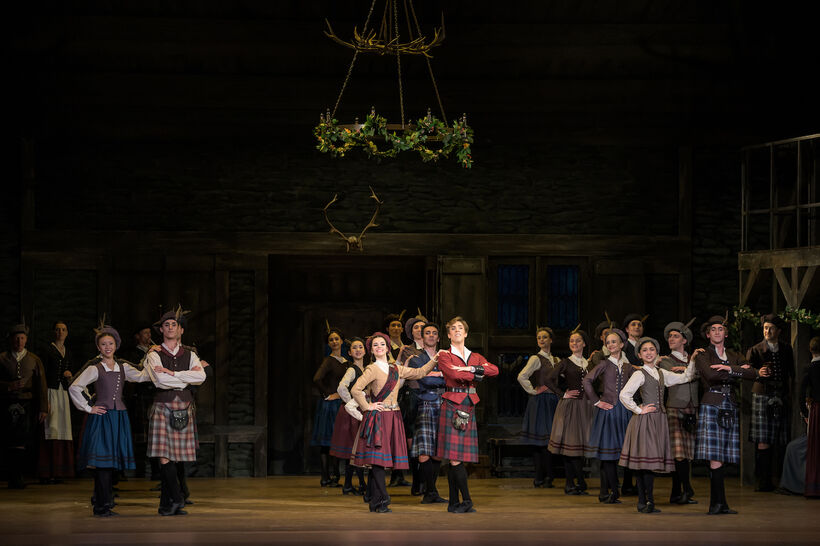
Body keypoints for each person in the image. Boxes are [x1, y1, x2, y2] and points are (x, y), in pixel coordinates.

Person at [350, 332, 438, 513]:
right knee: (378, 461)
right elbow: (356, 389)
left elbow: (420, 372)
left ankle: (376, 501)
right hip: (379, 417)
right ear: (371, 350)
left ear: (388, 347)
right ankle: (382, 499)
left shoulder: (395, 369)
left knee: (381, 461)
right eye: (375, 345)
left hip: (394, 416)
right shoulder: (372, 369)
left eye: (382, 344)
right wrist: (368, 406)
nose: (379, 347)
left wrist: (436, 358)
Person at [68, 324, 150, 516]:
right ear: (98, 347)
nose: (107, 347)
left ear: (116, 345)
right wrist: (89, 407)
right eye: (103, 344)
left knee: (111, 463)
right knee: (103, 462)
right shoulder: (95, 368)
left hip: (119, 417)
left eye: (110, 343)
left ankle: (102, 500)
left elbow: (142, 376)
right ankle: (102, 506)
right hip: (103, 418)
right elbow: (74, 387)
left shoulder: (123, 367)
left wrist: (153, 358)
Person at [619, 337, 696, 513]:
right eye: (644, 350)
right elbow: (624, 395)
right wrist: (639, 410)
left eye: (651, 349)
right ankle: (644, 501)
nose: (648, 352)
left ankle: (648, 501)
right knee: (644, 462)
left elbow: (686, 377)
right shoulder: (640, 373)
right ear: (639, 354)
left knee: (650, 463)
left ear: (657, 352)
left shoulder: (661, 373)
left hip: (659, 421)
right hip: (646, 421)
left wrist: (691, 361)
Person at [143, 308, 207, 516]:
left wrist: (173, 373)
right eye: (166, 325)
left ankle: (166, 505)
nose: (170, 328)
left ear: (180, 330)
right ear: (161, 329)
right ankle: (178, 498)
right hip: (163, 405)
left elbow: (201, 378)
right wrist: (185, 377)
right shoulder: (154, 353)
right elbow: (160, 380)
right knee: (164, 456)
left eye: (174, 325)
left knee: (177, 457)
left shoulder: (190, 353)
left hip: (184, 406)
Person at [694, 315, 758, 515]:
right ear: (708, 334)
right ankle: (715, 504)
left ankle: (722, 504)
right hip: (712, 403)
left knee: (722, 455)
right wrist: (738, 371)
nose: (717, 332)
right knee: (715, 456)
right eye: (713, 329)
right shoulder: (703, 354)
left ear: (726, 333)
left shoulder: (734, 354)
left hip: (729, 404)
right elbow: (711, 375)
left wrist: (729, 368)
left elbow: (753, 373)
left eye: (720, 329)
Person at [435, 317, 499, 513]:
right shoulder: (444, 355)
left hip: (469, 406)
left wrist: (470, 368)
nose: (456, 331)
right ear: (448, 334)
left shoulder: (475, 356)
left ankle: (454, 502)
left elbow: (494, 370)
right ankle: (467, 501)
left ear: (466, 333)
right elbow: (454, 375)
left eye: (460, 328)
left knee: (457, 457)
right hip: (453, 404)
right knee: (454, 457)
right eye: (452, 328)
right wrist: (477, 373)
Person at [583, 328, 635, 503]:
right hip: (608, 411)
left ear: (621, 344)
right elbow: (587, 380)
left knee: (617, 453)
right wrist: (597, 401)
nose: (611, 344)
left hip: (624, 412)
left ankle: (605, 492)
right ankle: (612, 491)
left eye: (614, 341)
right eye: (608, 342)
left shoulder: (628, 367)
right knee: (608, 454)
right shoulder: (604, 364)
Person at [746, 313, 794, 492]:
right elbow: (747, 371)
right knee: (762, 440)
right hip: (762, 395)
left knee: (779, 439)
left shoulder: (786, 349)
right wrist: (758, 372)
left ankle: (779, 480)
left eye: (771, 328)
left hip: (780, 395)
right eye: (765, 328)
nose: (768, 331)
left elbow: (791, 373)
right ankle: (763, 481)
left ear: (779, 331)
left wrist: (789, 395)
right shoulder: (756, 349)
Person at [545, 329, 596, 496]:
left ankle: (578, 482)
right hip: (571, 406)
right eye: (572, 341)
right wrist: (562, 393)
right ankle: (572, 483)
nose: (574, 343)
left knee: (579, 446)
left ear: (584, 344)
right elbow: (548, 379)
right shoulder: (566, 362)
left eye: (578, 341)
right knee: (570, 446)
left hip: (586, 406)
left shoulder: (590, 363)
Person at [658, 320, 701, 505]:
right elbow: (674, 379)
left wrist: (688, 367)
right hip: (675, 406)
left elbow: (701, 374)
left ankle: (677, 493)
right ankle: (687, 489)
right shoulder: (665, 360)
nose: (671, 339)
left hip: (692, 407)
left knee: (687, 453)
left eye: (675, 336)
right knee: (678, 452)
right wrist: (689, 370)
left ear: (684, 340)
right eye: (669, 336)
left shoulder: (695, 359)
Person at [0, 322, 47, 489]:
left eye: (22, 338)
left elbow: (41, 386)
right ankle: (11, 476)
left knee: (23, 439)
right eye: (16, 338)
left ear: (26, 340)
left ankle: (19, 476)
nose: (19, 342)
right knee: (8, 440)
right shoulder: (2, 358)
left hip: (27, 404)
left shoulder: (34, 359)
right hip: (6, 403)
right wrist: (8, 386)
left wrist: (43, 408)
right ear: (12, 340)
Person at [408, 322, 448, 504]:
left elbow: (452, 378)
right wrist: (440, 375)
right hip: (425, 403)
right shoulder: (417, 358)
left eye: (434, 333)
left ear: (438, 338)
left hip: (445, 404)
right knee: (424, 450)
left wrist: (436, 375)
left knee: (438, 451)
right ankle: (429, 492)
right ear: (422, 339)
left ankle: (432, 492)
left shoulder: (446, 357)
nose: (431, 336)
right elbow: (422, 379)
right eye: (427, 333)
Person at [517, 326, 560, 488]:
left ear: (551, 340)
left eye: (544, 337)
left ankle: (548, 476)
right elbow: (522, 376)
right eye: (539, 338)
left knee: (549, 440)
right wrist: (533, 391)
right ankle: (540, 477)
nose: (541, 340)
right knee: (539, 441)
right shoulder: (536, 358)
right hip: (540, 402)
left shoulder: (555, 360)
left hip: (552, 402)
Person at [37, 321, 76, 483]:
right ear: (54, 332)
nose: (61, 332)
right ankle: (47, 473)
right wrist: (44, 400)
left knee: (63, 428)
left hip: (63, 393)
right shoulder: (47, 350)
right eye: (58, 329)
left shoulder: (68, 352)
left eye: (64, 329)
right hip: (51, 392)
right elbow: (42, 376)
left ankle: (61, 472)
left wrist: (70, 375)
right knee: (50, 428)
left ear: (67, 333)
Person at [329, 337, 367, 495]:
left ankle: (353, 484)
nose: (358, 350)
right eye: (354, 348)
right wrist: (353, 402)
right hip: (351, 412)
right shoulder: (352, 369)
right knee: (353, 448)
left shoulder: (367, 369)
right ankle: (350, 484)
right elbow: (341, 387)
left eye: (360, 347)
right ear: (350, 352)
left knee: (357, 448)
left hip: (359, 411)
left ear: (365, 350)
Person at [312, 327, 348, 487]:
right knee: (328, 442)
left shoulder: (345, 361)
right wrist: (328, 394)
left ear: (341, 341)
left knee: (336, 441)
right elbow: (317, 379)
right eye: (331, 339)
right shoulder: (329, 360)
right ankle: (327, 477)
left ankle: (334, 476)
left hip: (340, 404)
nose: (334, 341)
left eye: (336, 339)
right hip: (330, 406)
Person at [383, 312, 411, 487]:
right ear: (387, 329)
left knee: (404, 434)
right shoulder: (385, 348)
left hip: (407, 392)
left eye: (398, 326)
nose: (396, 328)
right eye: (393, 325)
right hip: (391, 393)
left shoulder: (407, 347)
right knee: (392, 434)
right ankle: (392, 473)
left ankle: (400, 473)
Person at [802, 335, 820, 498]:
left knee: (815, 446)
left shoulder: (810, 368)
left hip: (817, 409)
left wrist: (803, 411)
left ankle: (815, 487)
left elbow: (802, 391)